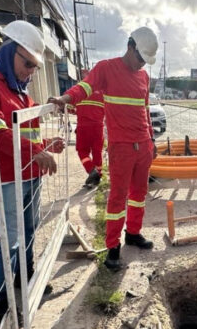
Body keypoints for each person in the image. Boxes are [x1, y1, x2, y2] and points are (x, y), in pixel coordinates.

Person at [0, 20, 64, 320]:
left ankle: (25, 277)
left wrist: (46, 144)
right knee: (8, 239)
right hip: (4, 178)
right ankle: (1, 303)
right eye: (26, 63)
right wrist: (36, 151)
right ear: (8, 50)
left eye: (34, 67)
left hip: (30, 174)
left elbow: (26, 137)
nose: (30, 71)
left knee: (28, 231)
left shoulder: (21, 92)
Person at [49, 27, 158, 271]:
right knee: (118, 197)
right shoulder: (106, 68)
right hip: (121, 147)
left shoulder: (143, 77)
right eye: (140, 58)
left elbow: (145, 110)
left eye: (146, 61)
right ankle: (113, 247)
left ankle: (133, 233)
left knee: (139, 195)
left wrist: (152, 141)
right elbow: (84, 87)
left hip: (143, 145)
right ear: (130, 46)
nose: (142, 65)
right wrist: (64, 99)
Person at [73, 88, 105, 188]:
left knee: (82, 151)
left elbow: (69, 107)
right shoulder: (102, 93)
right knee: (97, 151)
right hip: (98, 127)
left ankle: (91, 170)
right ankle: (97, 177)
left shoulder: (79, 92)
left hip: (83, 127)